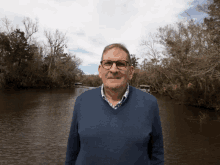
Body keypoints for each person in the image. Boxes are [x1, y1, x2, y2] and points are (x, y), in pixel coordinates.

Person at [65, 43, 164, 165]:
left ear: (131, 71)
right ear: (100, 70)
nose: (113, 69)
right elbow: (72, 152)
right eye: (108, 63)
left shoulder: (150, 103)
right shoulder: (82, 101)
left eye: (121, 64)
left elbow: (157, 153)